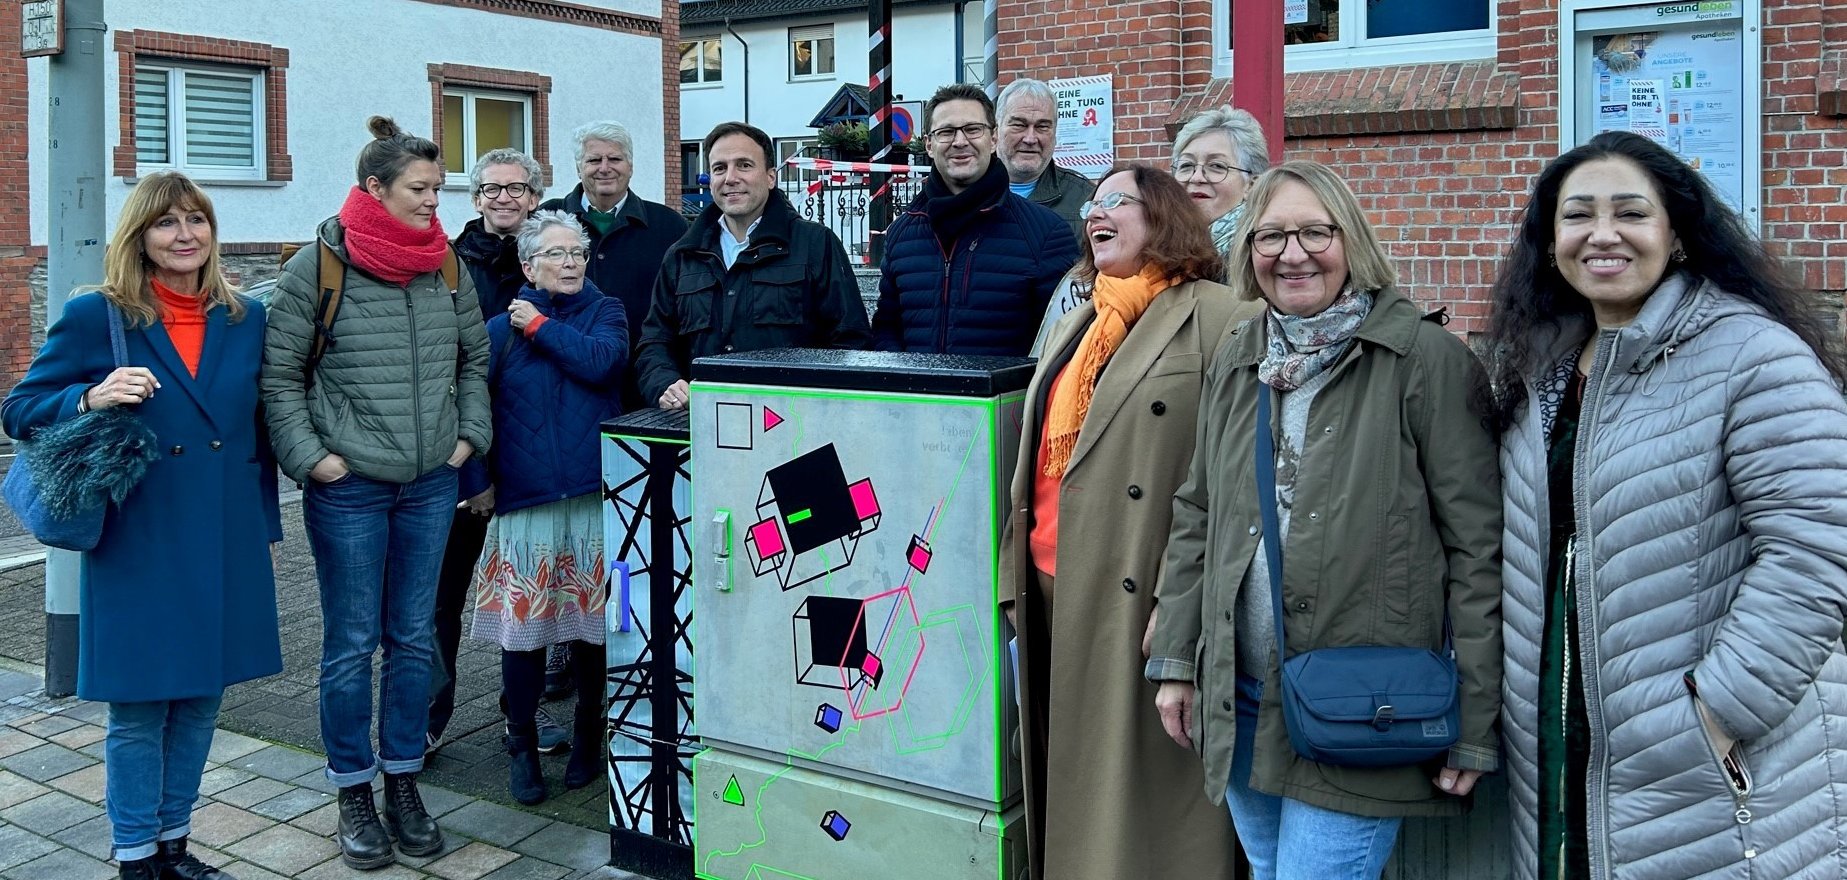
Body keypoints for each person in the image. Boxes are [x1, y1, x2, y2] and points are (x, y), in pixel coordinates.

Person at [1485, 130, 1847, 880]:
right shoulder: (1541, 369)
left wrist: (1718, 709)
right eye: (1576, 215)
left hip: (1705, 767)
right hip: (1562, 761)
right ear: (1549, 242)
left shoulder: (1752, 357)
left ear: (1676, 235)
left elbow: (1816, 546)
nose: (1602, 234)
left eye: (1630, 213)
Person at [1145, 161, 1502, 880]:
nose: (1292, 253)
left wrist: (1474, 717)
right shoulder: (1239, 356)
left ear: (1353, 241)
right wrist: (1177, 661)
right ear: (1248, 251)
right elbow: (1198, 511)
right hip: (1240, 693)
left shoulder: (1421, 361)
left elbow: (1476, 551)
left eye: (1314, 231)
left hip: (1363, 705)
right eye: (1271, 235)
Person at [2, 172, 282, 880]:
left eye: (197, 220)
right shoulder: (99, 314)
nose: (185, 235)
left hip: (224, 534)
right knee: (138, 705)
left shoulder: (246, 317)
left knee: (200, 696)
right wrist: (89, 395)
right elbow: (19, 409)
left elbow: (264, 422)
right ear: (140, 235)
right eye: (166, 223)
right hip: (140, 536)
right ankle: (134, 857)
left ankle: (175, 845)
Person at [1000, 164, 1259, 880]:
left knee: (1138, 802)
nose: (1094, 213)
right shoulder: (1080, 316)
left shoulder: (1218, 314)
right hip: (1051, 585)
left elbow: (1233, 480)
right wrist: (1010, 579)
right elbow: (1040, 461)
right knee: (1070, 782)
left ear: (1165, 218)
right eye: (1092, 203)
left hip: (1141, 593)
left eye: (1116, 201)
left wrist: (1184, 610)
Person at [262, 116, 490, 871]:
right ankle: (352, 790)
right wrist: (312, 460)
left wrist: (466, 441)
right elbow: (279, 377)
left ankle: (403, 780)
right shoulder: (316, 267)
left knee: (415, 637)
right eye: (420, 189)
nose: (435, 203)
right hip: (350, 487)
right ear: (374, 190)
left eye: (437, 188)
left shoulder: (446, 263)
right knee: (351, 644)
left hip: (431, 482)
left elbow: (473, 358)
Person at [469, 210, 628, 805]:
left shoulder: (605, 313)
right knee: (526, 635)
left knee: (592, 633)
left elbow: (602, 364)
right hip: (527, 503)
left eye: (577, 253)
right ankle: (521, 745)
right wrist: (478, 481)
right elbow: (472, 409)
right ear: (528, 264)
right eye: (556, 254)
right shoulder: (496, 332)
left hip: (593, 499)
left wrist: (538, 325)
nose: (569, 263)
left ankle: (591, 733)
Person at [429, 148, 572, 758]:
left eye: (518, 188)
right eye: (492, 189)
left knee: (531, 595)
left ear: (535, 196)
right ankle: (426, 719)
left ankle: (524, 716)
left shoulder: (558, 261)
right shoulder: (447, 264)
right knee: (440, 596)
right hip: (463, 451)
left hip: (533, 458)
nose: (505, 198)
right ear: (476, 197)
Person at [634, 121, 872, 410]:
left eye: (744, 165)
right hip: (702, 426)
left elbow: (851, 341)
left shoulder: (815, 245)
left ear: (770, 177)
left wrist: (814, 404)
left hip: (794, 428)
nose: (730, 178)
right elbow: (654, 342)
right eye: (719, 168)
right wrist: (664, 384)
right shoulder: (683, 255)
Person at [871, 83, 1079, 356]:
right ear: (930, 145)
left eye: (973, 129)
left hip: (1004, 398)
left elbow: (1061, 342)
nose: (960, 141)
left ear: (993, 139)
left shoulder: (1046, 233)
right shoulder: (902, 233)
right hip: (918, 397)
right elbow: (886, 327)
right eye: (946, 131)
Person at [538, 121, 688, 411]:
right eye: (594, 160)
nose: (604, 168)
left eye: (615, 159)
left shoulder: (669, 226)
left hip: (644, 385)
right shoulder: (547, 219)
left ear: (630, 166)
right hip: (561, 382)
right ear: (578, 167)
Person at [1172, 107, 1271, 264]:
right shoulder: (1155, 243)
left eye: (1217, 166)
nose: (1196, 177)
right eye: (1186, 165)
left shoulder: (1259, 254)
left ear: (1251, 185)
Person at [996, 77, 1091, 240]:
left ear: (1055, 133)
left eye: (1042, 127)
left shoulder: (1085, 199)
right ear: (995, 130)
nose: (1030, 139)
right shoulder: (964, 193)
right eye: (1019, 125)